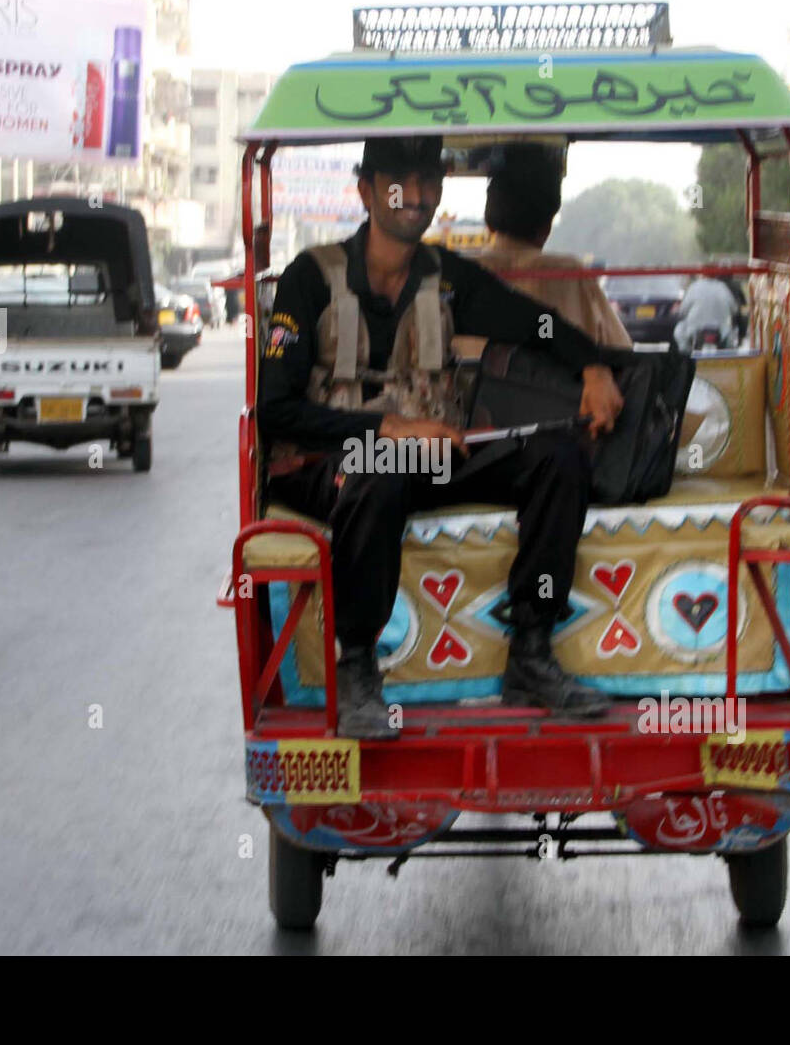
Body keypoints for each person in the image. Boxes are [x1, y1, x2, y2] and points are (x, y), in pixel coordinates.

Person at [258, 135, 624, 739]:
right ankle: (356, 667)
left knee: (555, 455)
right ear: (366, 190)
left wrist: (590, 364)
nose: (419, 196)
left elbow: (532, 322)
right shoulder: (310, 279)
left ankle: (531, 648)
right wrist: (386, 427)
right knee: (381, 468)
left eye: (430, 181)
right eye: (401, 182)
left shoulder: (447, 277)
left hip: (430, 456)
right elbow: (276, 411)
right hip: (335, 462)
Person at [473, 143, 631, 348]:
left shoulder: (457, 274)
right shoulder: (571, 275)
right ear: (547, 225)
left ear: (489, 221)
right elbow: (621, 351)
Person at [674, 275, 738, 351]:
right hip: (721, 330)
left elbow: (683, 310)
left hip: (695, 330)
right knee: (731, 335)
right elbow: (734, 309)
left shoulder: (694, 287)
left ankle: (687, 356)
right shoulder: (722, 287)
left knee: (679, 329)